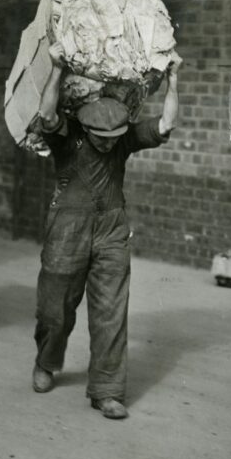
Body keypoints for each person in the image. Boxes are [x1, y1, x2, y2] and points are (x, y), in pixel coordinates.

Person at [31, 43, 182, 419]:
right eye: (102, 136)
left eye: (115, 135)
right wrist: (55, 69)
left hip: (112, 230)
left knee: (111, 311)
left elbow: (166, 125)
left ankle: (108, 389)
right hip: (67, 228)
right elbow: (47, 114)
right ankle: (47, 361)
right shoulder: (67, 137)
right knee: (55, 310)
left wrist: (174, 81)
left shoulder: (123, 138)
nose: (108, 142)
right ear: (85, 125)